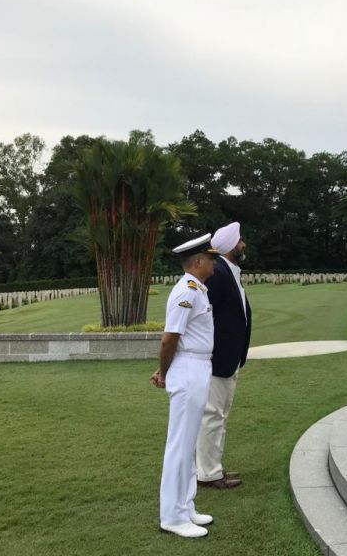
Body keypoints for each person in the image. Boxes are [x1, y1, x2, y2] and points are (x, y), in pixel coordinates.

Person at [151, 234, 220, 539]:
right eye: (211, 258)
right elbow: (169, 338)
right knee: (179, 446)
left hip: (197, 366)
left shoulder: (198, 291)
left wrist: (166, 368)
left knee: (189, 442)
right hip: (188, 368)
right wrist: (164, 372)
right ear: (197, 262)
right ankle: (173, 516)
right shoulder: (187, 291)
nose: (215, 262)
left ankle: (186, 506)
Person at [196, 222, 252, 489]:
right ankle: (208, 474)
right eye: (240, 241)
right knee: (212, 415)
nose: (244, 245)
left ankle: (213, 468)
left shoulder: (230, 271)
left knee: (219, 416)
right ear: (231, 246)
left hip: (230, 359)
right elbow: (204, 317)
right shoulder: (218, 273)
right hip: (218, 360)